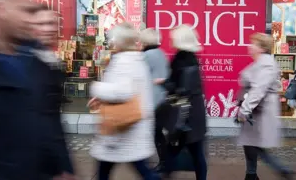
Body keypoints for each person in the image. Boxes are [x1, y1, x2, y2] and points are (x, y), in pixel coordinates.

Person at [0, 0, 74, 180]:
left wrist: (62, 166)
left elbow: (49, 123)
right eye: (24, 10)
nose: (29, 19)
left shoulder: (35, 61)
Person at [88, 23, 159, 180]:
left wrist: (96, 88)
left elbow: (122, 91)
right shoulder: (137, 59)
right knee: (140, 170)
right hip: (130, 128)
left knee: (106, 171)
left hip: (121, 128)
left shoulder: (123, 61)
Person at [237, 33, 295, 180]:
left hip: (259, 114)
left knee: (254, 145)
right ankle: (253, 174)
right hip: (255, 113)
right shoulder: (260, 62)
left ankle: (282, 170)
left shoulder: (266, 64)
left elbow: (258, 89)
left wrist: (245, 109)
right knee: (251, 144)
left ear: (261, 48)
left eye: (253, 43)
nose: (250, 46)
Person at [158, 24, 207, 180]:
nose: (171, 38)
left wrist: (163, 82)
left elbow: (181, 88)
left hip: (185, 113)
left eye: (173, 36)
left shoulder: (181, 59)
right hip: (195, 112)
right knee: (194, 152)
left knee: (174, 149)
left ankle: (161, 175)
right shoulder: (192, 57)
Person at [31, 7, 75, 179]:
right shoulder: (25, 62)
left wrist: (64, 164)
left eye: (52, 24)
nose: (48, 29)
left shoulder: (52, 62)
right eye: (41, 23)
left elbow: (53, 120)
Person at [139, 28, 170, 169]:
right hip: (163, 99)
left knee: (154, 133)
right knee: (157, 133)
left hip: (151, 101)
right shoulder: (161, 53)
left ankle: (163, 162)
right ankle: (164, 161)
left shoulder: (146, 56)